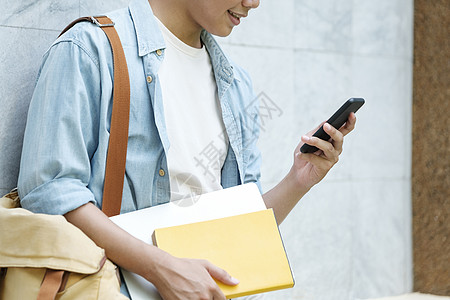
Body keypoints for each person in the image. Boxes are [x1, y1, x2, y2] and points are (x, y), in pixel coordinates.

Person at [17, 0, 357, 299]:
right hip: (111, 288)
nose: (254, 3)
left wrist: (299, 179)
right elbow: (50, 191)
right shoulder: (91, 50)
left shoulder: (237, 85)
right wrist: (161, 268)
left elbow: (241, 223)